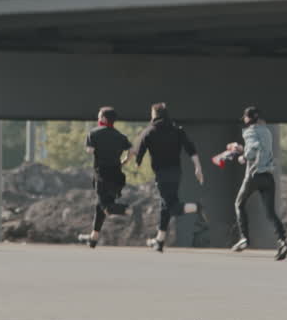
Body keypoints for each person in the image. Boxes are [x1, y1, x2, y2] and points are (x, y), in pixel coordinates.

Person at [133, 102, 204, 253]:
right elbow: (190, 148)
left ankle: (197, 207)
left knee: (171, 206)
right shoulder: (177, 130)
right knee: (165, 206)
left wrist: (137, 164)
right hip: (176, 172)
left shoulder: (150, 131)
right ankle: (159, 241)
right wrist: (198, 167)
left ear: (155, 115)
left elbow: (141, 149)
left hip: (162, 174)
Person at [229, 107, 287, 260]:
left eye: (245, 117)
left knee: (238, 204)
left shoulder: (249, 131)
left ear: (249, 118)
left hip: (253, 175)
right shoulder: (267, 131)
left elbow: (253, 151)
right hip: (268, 177)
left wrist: (243, 157)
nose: (244, 119)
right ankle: (283, 242)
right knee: (270, 213)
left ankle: (244, 238)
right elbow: (261, 148)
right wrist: (241, 149)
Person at [77, 106, 132, 249]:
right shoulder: (120, 136)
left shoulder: (93, 133)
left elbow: (89, 151)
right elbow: (132, 150)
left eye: (99, 116)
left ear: (104, 119)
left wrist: (94, 147)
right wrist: (125, 160)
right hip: (117, 176)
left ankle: (128, 210)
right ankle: (93, 238)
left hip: (102, 175)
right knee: (100, 206)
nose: (97, 118)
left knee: (105, 206)